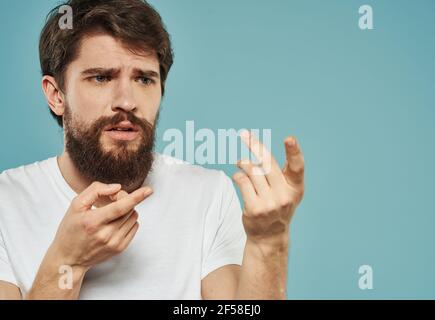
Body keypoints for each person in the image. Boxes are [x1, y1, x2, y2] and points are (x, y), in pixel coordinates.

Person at [0, 0, 305, 300]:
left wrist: (269, 241)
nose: (127, 101)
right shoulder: (6, 202)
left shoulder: (208, 193)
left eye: (144, 79)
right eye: (101, 78)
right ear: (56, 95)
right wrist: (67, 261)